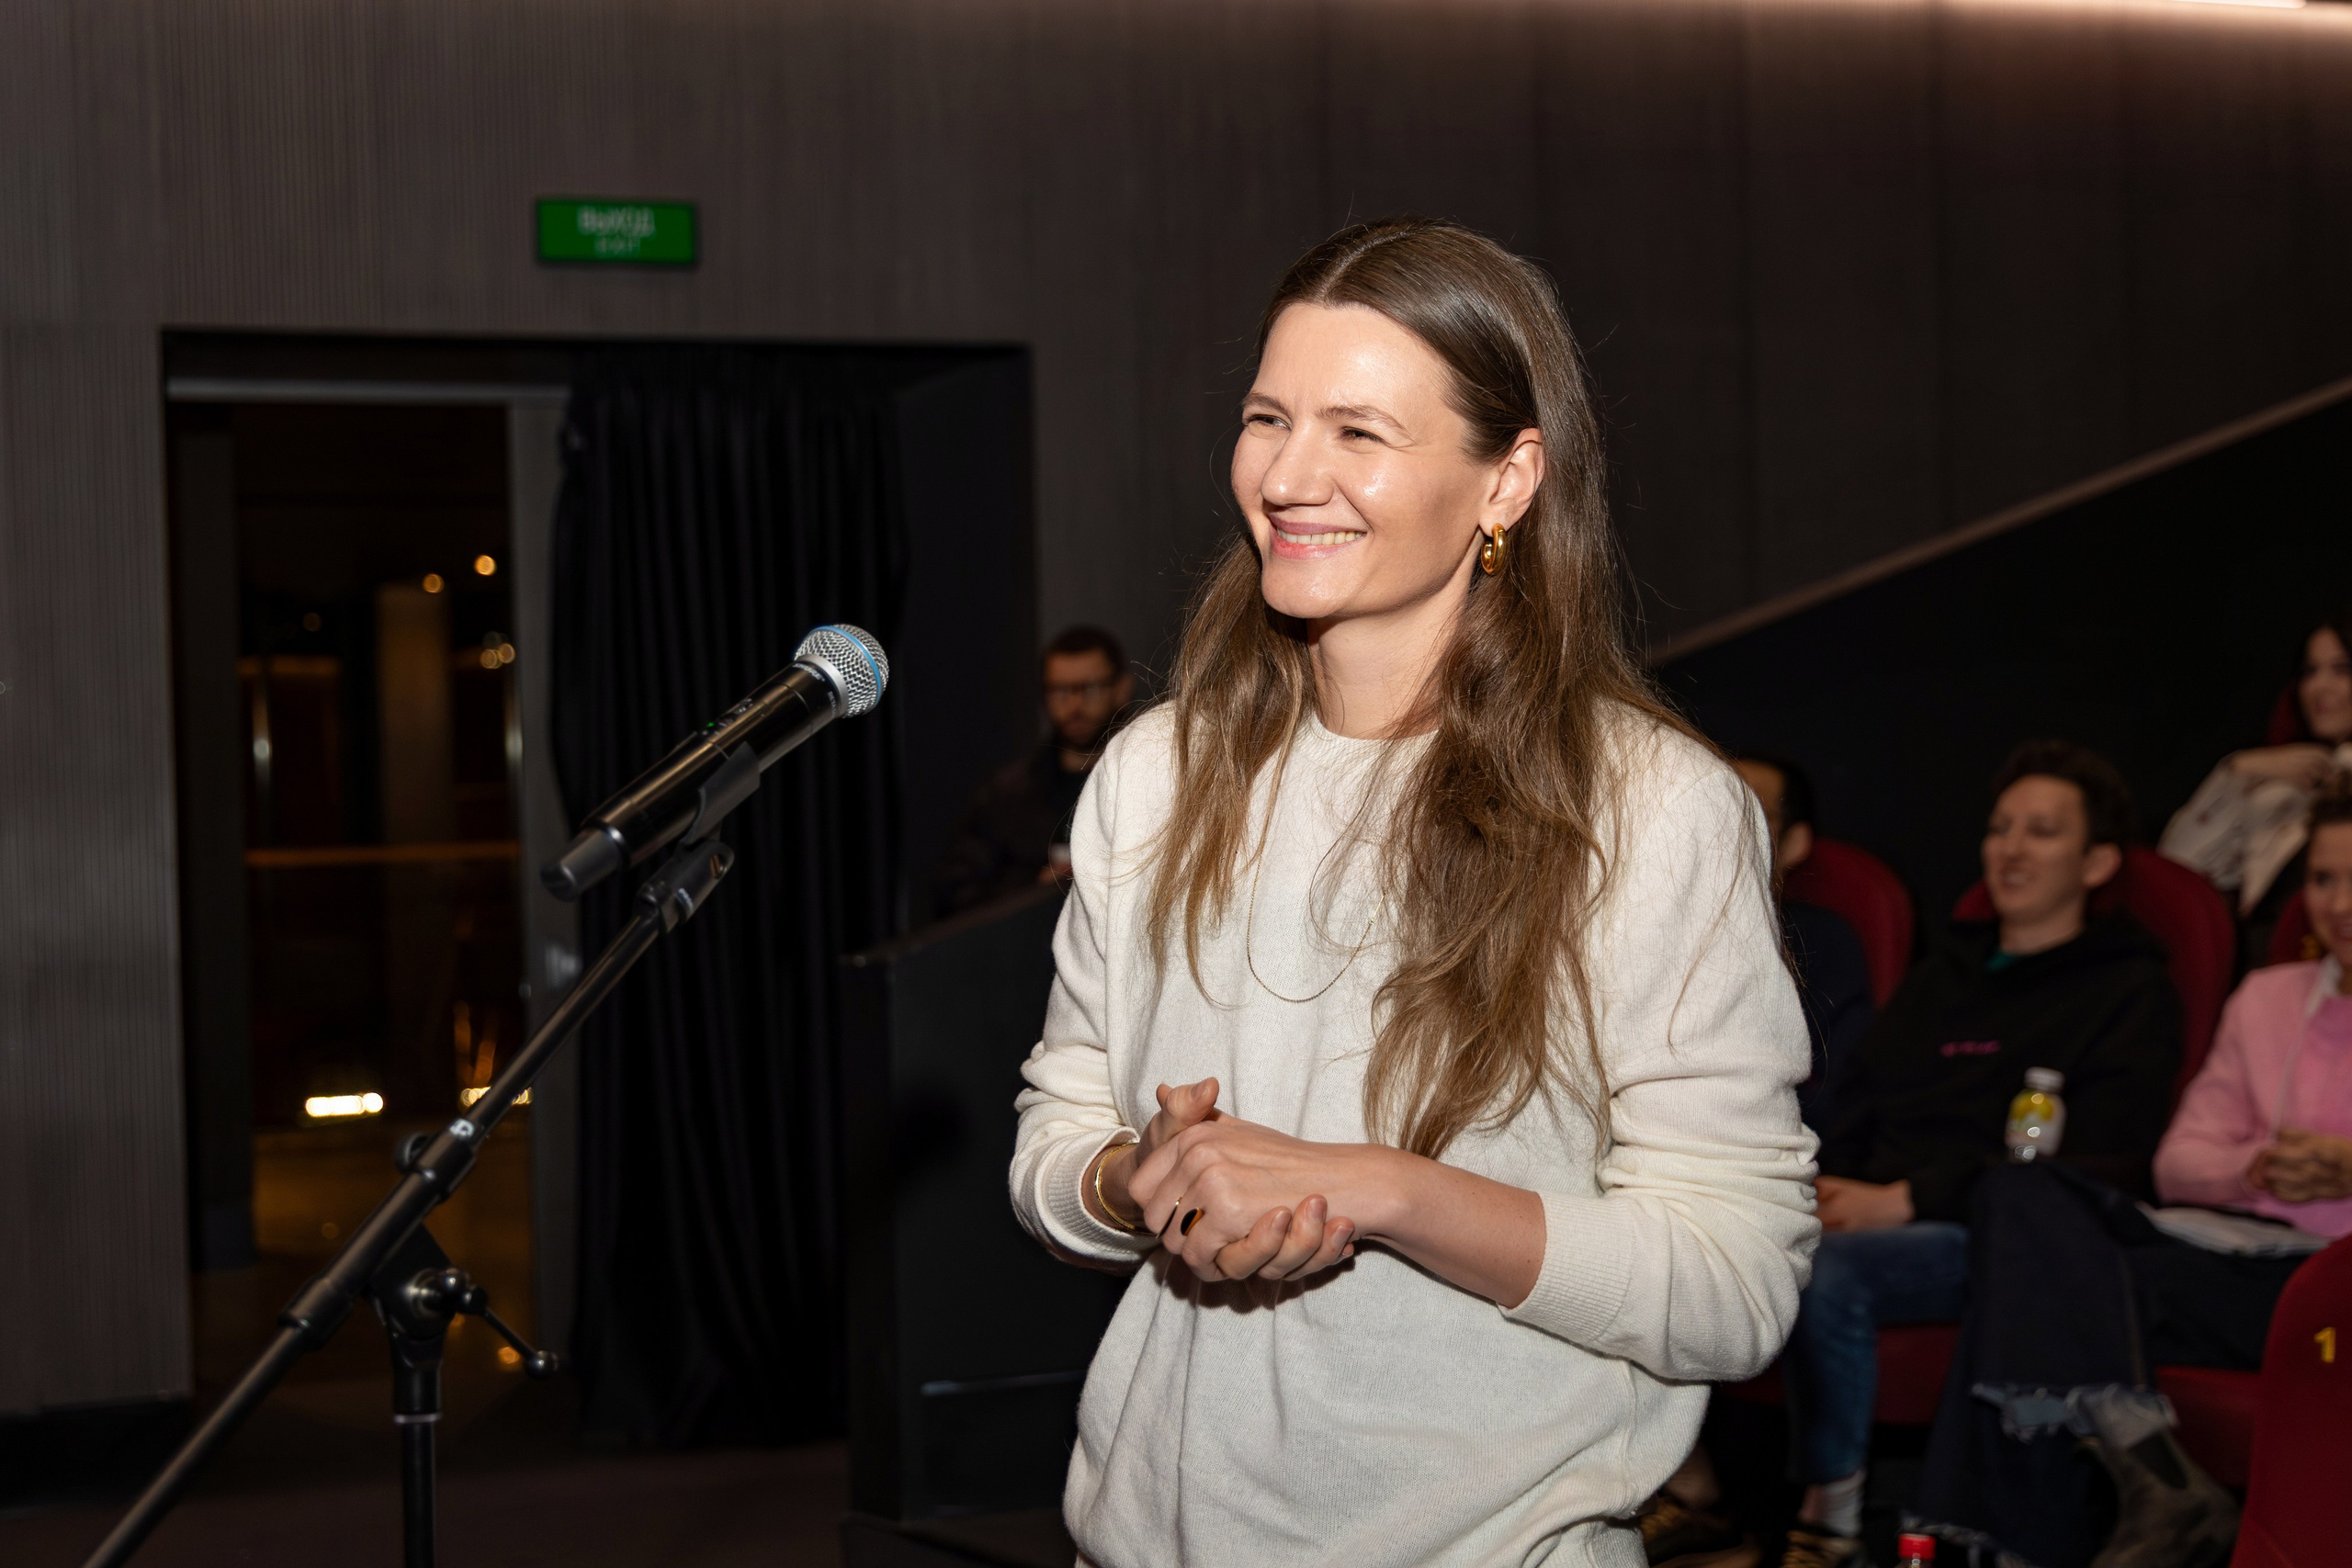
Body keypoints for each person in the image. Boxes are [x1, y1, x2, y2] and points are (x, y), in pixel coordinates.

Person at [1007, 219, 1817, 1568]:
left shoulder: (1650, 807)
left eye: (1359, 432)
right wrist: (1133, 1176)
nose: (1289, 474)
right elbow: (1054, 1136)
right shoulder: (1156, 773)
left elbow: (1733, 1287)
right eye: (1269, 417)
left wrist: (1383, 1189)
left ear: (1508, 480)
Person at [1913, 778, 2352, 1568]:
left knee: (2028, 1290)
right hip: (2222, 1251)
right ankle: (2154, 1474)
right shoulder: (2267, 995)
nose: (2341, 904)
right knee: (2023, 1194)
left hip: (2327, 1283)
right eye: (2324, 879)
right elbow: (2180, 1162)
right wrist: (2253, 1166)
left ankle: (2014, 1548)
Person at [1781, 741, 2182, 1568]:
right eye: (2001, 828)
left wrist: (1907, 1198)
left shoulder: (2129, 988)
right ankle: (1695, 1491)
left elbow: (2100, 1169)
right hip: (1872, 1202)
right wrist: (1821, 1185)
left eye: (2042, 831)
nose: (2011, 847)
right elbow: (1859, 1097)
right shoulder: (1949, 969)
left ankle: (1833, 1521)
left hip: (1997, 1238)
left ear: (2099, 860)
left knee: (1833, 1273)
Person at [2160, 613, 2352, 967]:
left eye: (2342, 670)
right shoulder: (2279, 788)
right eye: (2309, 671)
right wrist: (2235, 772)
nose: (2319, 687)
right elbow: (2176, 872)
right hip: (2270, 967)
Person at [930, 625, 1136, 918]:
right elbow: (954, 890)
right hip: (1030, 950)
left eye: (1089, 688)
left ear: (1122, 688)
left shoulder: (1149, 780)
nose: (1075, 705)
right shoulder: (1009, 793)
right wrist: (1035, 887)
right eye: (1060, 691)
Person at [1733, 754, 1877, 1131]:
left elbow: (1834, 1091)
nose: (1725, 823)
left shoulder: (1822, 942)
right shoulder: (1640, 923)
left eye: (1749, 809)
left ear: (1794, 842)